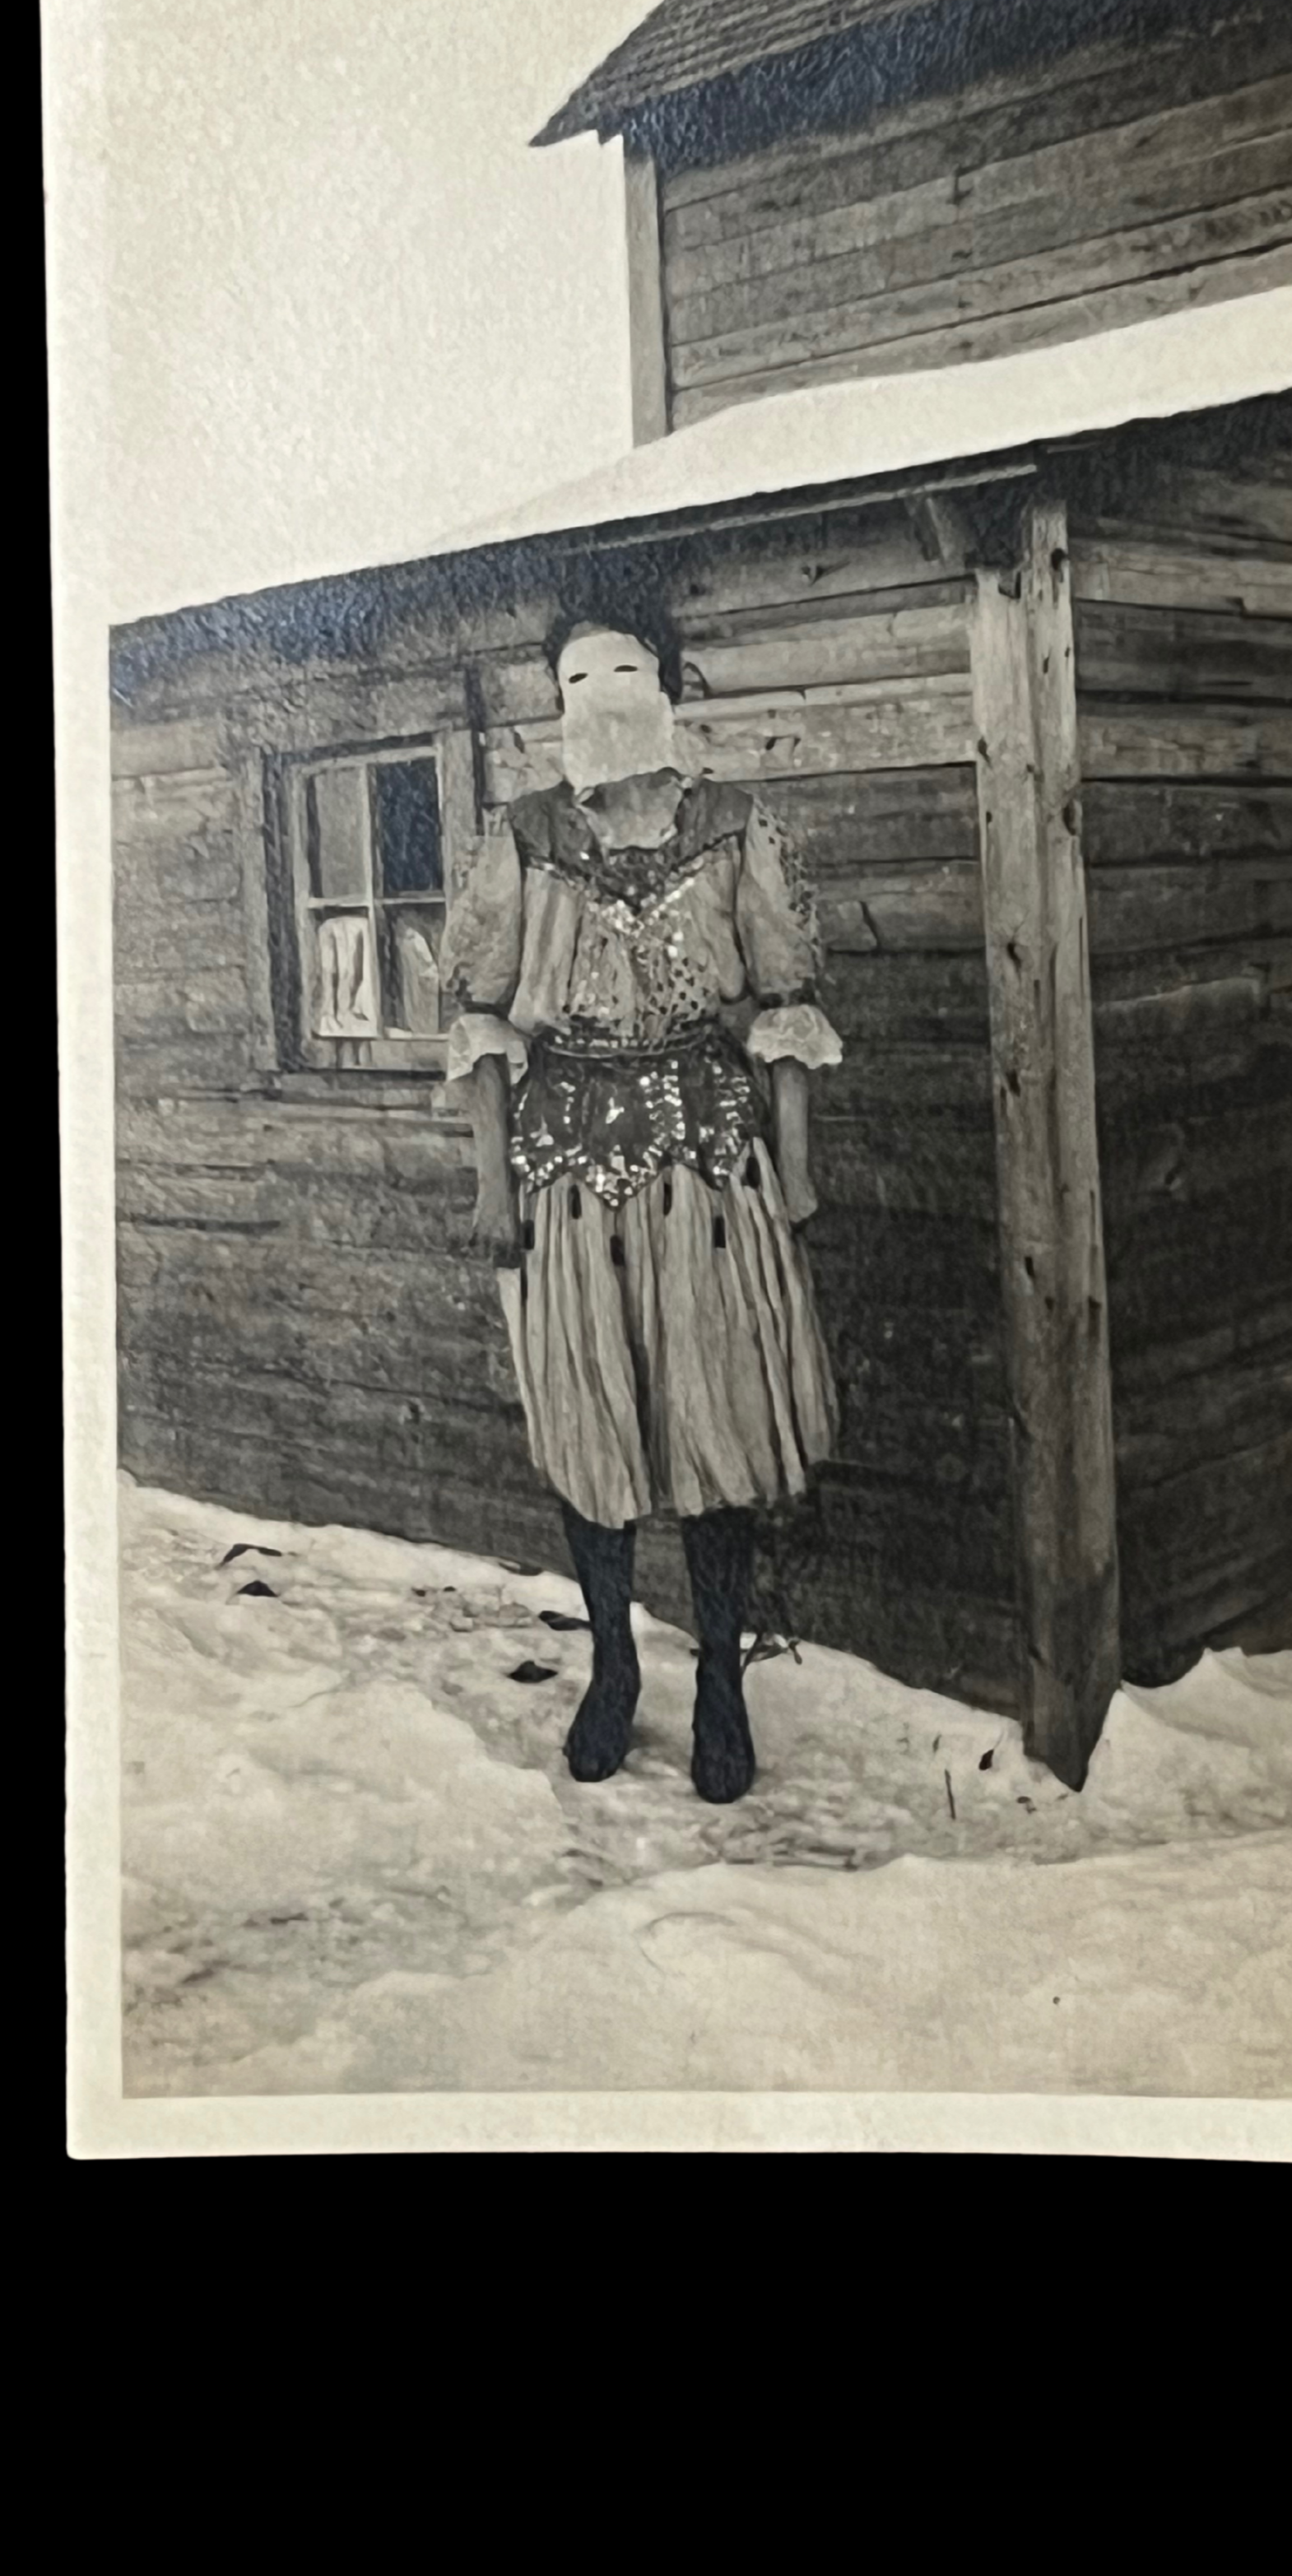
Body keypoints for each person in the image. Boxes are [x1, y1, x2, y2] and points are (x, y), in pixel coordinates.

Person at [437, 594, 843, 1802]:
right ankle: (613, 1666)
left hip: (710, 1167)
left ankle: (720, 1677)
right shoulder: (520, 838)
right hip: (563, 1175)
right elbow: (479, 1018)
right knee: (592, 1427)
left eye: (624, 671)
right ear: (552, 704)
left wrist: (800, 1165)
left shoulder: (734, 826)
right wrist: (490, 1185)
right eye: (574, 681)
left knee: (714, 1423)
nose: (601, 697)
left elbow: (779, 1008)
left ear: (667, 685)